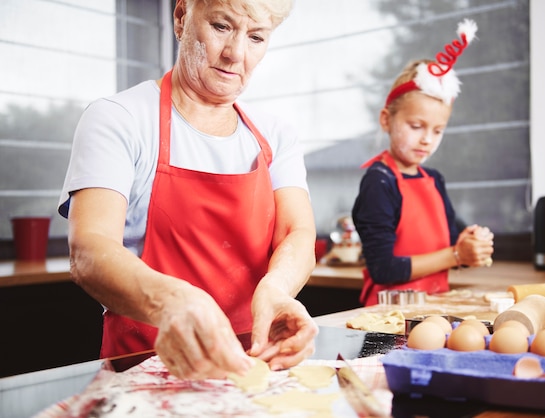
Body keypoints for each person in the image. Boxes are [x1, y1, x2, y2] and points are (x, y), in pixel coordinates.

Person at [57, 0, 318, 380]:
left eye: (256, 36)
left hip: (256, 368)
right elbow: (89, 251)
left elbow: (298, 232)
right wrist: (174, 302)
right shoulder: (120, 119)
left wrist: (277, 290)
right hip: (144, 371)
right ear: (181, 17)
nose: (235, 55)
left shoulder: (277, 135)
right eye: (221, 26)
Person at [352, 19, 495, 306]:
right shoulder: (379, 182)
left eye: (437, 130)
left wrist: (470, 244)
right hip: (387, 316)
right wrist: (456, 255)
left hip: (434, 308)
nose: (427, 139)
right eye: (416, 126)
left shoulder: (434, 180)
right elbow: (384, 268)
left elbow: (450, 248)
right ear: (386, 120)